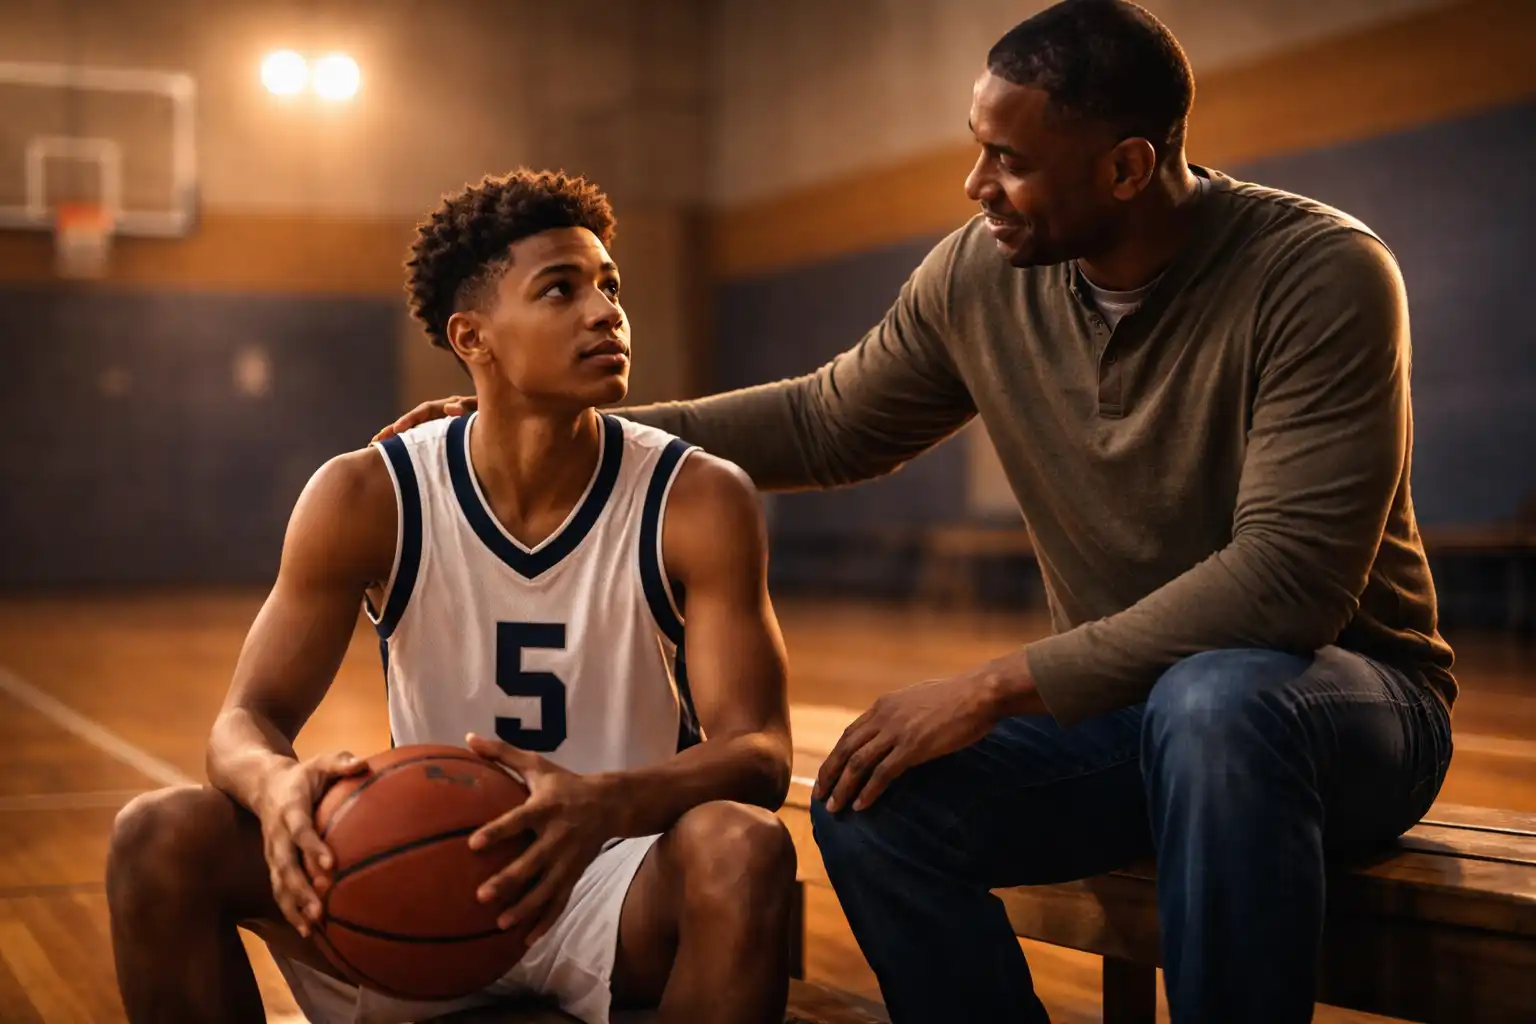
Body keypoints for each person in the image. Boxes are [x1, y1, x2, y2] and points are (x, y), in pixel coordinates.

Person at [380, 2, 1459, 1021]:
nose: (976, 184)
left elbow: (1287, 582)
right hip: (1133, 721)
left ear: (1128, 168)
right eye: (978, 147)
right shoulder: (983, 275)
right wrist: (560, 426)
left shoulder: (1319, 272)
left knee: (1217, 698)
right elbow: (825, 423)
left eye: (1011, 161)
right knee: (872, 800)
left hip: (1340, 715)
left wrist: (992, 686)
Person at [106, 169, 799, 1024]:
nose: (605, 312)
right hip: (423, 870)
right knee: (159, 836)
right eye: (561, 289)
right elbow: (243, 721)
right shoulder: (370, 494)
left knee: (744, 847)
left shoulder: (698, 497)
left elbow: (759, 751)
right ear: (473, 338)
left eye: (610, 286)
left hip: (614, 877)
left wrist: (606, 803)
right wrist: (275, 785)